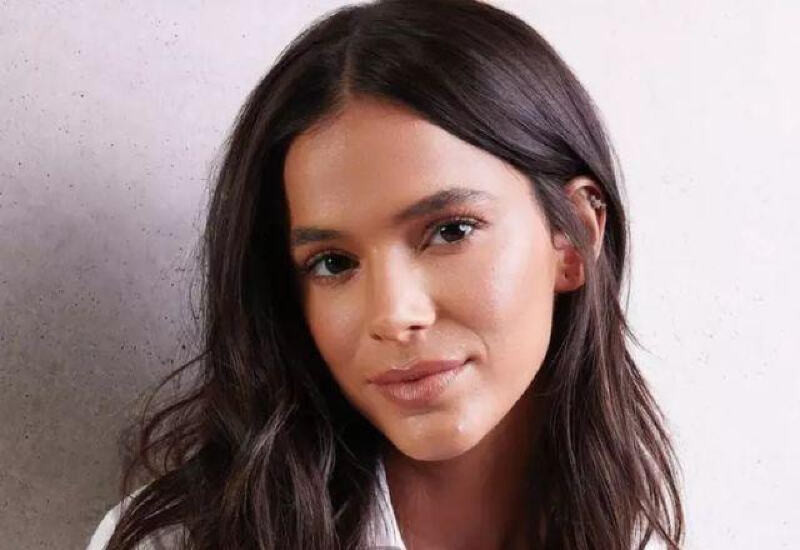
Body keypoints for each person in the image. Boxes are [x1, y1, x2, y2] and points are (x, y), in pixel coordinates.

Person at [87, 0, 685, 548]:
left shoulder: (661, 528)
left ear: (574, 237)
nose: (394, 315)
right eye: (333, 263)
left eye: (450, 231)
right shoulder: (182, 542)